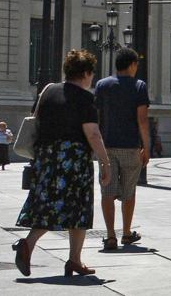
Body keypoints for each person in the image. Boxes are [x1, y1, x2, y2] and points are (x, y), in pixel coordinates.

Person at [12, 50, 112, 278]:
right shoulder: (86, 98)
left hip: (46, 157)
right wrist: (105, 164)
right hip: (73, 158)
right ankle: (57, 254)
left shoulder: (48, 91)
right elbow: (93, 133)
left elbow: (36, 119)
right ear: (86, 73)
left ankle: (66, 257)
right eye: (91, 73)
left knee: (48, 205)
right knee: (78, 207)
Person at [94, 47, 151, 252]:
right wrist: (147, 147)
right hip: (130, 146)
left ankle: (110, 236)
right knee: (129, 191)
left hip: (106, 146)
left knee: (107, 191)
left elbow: (96, 117)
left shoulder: (102, 85)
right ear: (132, 64)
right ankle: (126, 232)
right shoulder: (139, 86)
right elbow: (142, 120)